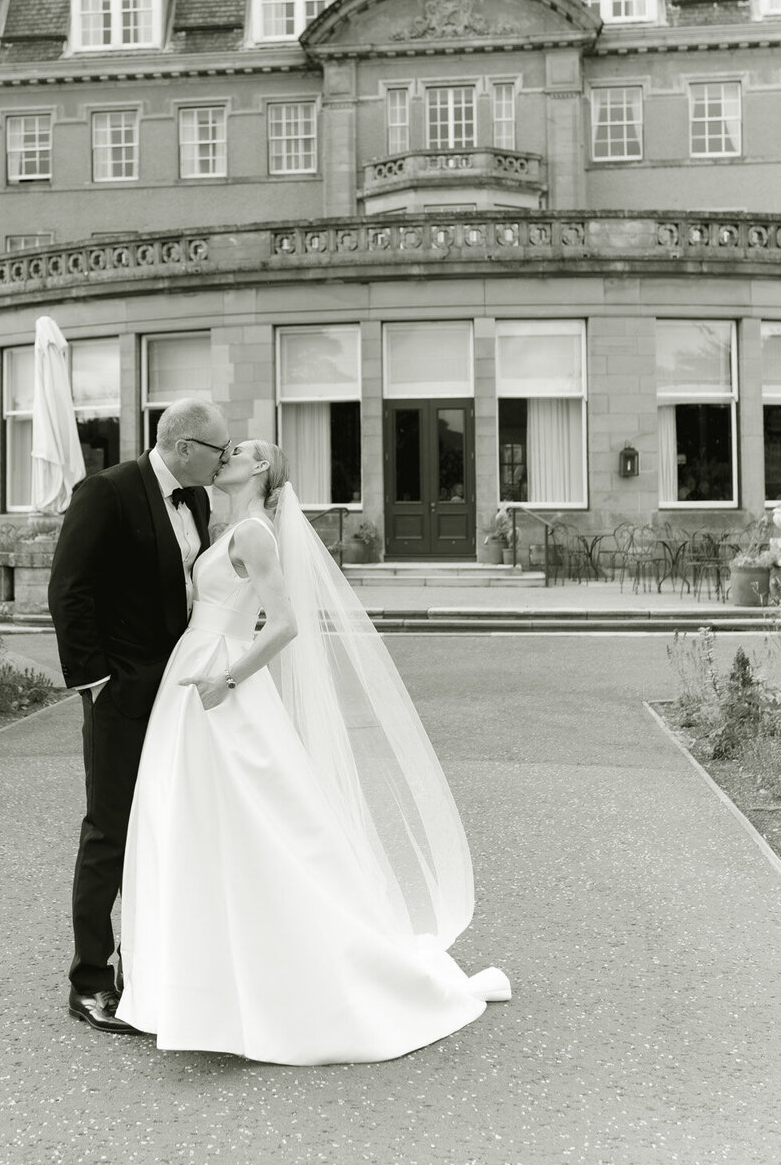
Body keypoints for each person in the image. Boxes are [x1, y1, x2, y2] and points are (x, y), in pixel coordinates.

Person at [116, 440, 510, 1066]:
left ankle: (279, 981)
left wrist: (229, 677)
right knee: (195, 822)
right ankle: (201, 985)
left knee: (256, 823)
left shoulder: (255, 533)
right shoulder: (227, 528)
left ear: (262, 469)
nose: (226, 455)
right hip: (193, 675)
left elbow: (285, 622)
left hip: (222, 682)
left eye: (239, 451)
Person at [48, 397, 232, 1033]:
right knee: (110, 831)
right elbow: (69, 589)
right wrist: (95, 683)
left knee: (164, 829)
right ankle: (89, 982)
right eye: (218, 450)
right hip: (120, 693)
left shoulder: (201, 502)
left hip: (179, 693)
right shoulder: (107, 493)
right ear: (183, 447)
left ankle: (146, 969)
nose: (226, 460)